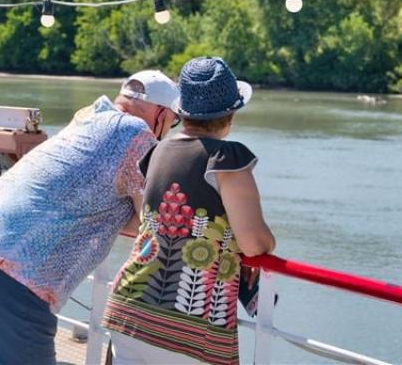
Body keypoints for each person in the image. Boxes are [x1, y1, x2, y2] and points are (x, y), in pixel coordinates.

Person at [0, 70, 180, 365]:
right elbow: (151, 218)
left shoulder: (88, 119)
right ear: (160, 113)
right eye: (174, 120)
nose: (170, 128)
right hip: (13, 275)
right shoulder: (136, 133)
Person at [103, 57, 275, 365]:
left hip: (130, 308)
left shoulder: (156, 152)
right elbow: (254, 243)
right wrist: (261, 244)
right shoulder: (227, 158)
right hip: (189, 327)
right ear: (230, 114)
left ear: (182, 111)